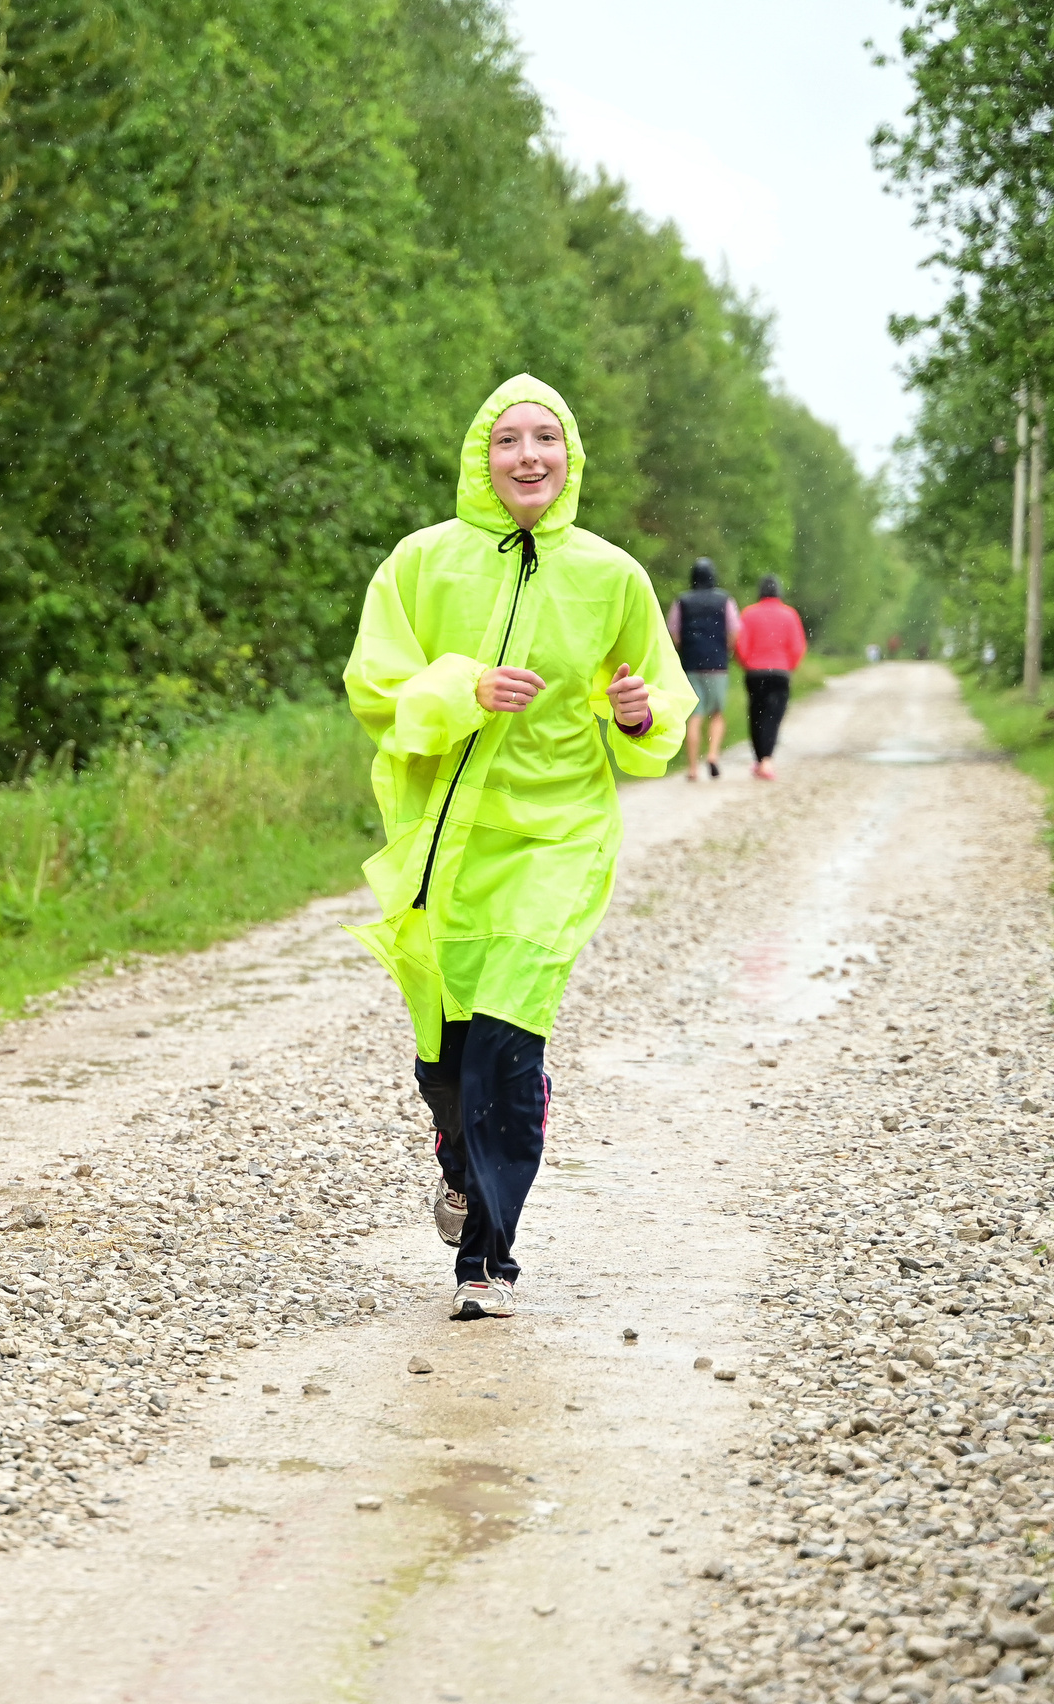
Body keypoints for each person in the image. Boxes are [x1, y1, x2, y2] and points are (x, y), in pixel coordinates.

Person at [345, 374, 693, 1321]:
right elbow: (376, 686)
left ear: (570, 457)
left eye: (546, 438)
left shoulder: (613, 574)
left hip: (558, 836)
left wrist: (636, 713)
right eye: (508, 439)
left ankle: (487, 1261)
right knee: (445, 1061)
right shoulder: (420, 563)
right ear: (481, 458)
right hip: (445, 842)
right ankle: (460, 1167)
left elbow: (658, 700)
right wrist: (464, 689)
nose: (528, 455)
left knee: (506, 1041)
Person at [665, 558, 739, 781]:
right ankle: (713, 755)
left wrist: (686, 649)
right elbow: (734, 630)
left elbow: (674, 632)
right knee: (716, 713)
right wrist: (726, 650)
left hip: (691, 664)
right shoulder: (724, 599)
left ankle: (692, 768)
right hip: (717, 664)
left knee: (694, 715)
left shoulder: (682, 601)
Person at [734, 573, 807, 780]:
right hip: (780, 673)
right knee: (773, 716)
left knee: (756, 715)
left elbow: (740, 644)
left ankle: (760, 759)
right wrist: (789, 665)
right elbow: (797, 647)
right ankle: (766, 760)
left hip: (755, 672)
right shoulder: (790, 615)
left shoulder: (749, 614)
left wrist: (747, 662)